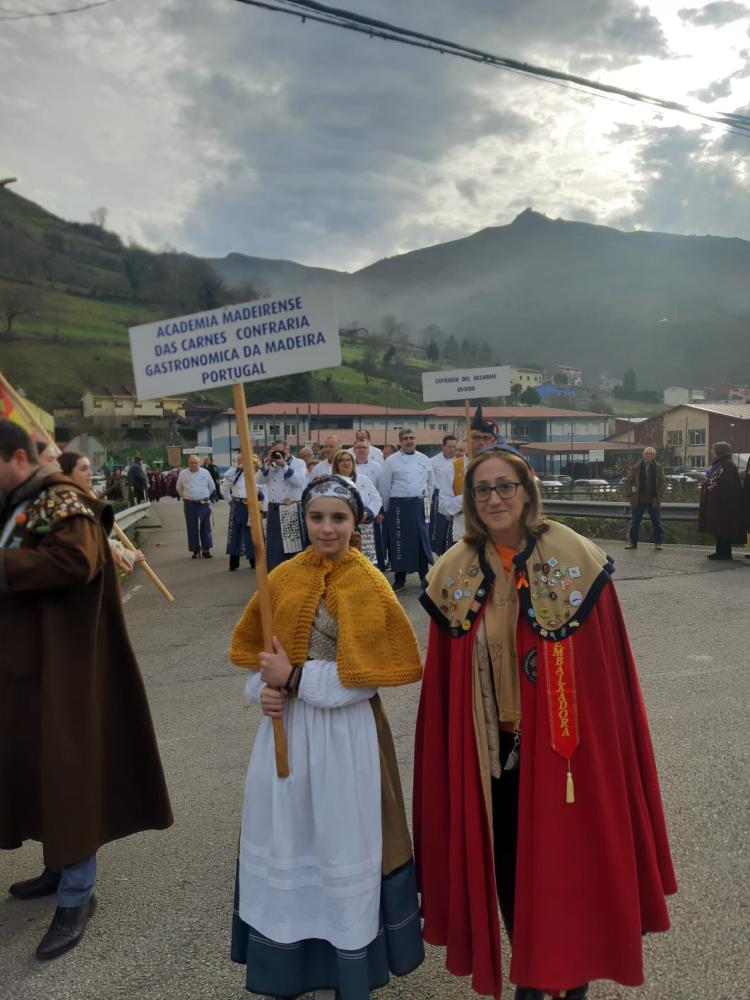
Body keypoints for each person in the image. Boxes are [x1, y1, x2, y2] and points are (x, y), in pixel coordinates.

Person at [414, 443, 677, 1000]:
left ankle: (561, 979)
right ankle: (532, 961)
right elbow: (447, 680)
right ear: (470, 499)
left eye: (505, 486)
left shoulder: (572, 557)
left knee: (565, 873)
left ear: (528, 490)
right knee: (508, 869)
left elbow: (604, 674)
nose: (494, 498)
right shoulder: (456, 570)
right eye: (482, 489)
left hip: (565, 754)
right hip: (494, 753)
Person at [229, 473, 424, 1000]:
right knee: (288, 836)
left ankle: (346, 970)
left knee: (342, 841)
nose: (327, 527)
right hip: (285, 735)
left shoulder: (368, 582)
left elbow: (369, 677)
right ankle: (290, 968)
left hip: (344, 739)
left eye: (338, 517)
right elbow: (259, 659)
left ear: (356, 522)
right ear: (304, 520)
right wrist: (261, 692)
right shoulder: (283, 576)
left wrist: (293, 679)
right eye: (317, 517)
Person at [0, 420, 172, 961]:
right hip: (34, 665)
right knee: (41, 769)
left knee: (67, 773)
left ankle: (77, 895)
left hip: (66, 669)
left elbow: (77, 563)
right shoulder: (23, 501)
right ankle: (58, 867)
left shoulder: (60, 502)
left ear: (16, 458)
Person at [58, 451, 144, 574]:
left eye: (89, 468)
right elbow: (88, 542)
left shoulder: (78, 500)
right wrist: (129, 555)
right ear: (67, 474)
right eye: (83, 469)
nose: (90, 473)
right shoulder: (68, 505)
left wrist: (128, 554)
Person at [378, 428, 434, 591]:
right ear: (400, 442)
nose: (409, 441)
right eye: (405, 438)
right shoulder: (391, 461)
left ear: (416, 440)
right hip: (398, 506)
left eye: (412, 438)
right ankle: (400, 579)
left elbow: (430, 483)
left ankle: (425, 577)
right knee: (399, 542)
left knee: (421, 542)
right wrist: (387, 508)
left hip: (419, 505)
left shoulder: (424, 459)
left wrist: (427, 505)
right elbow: (385, 485)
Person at [258, 439, 308, 571]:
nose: (278, 454)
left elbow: (299, 482)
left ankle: (294, 573)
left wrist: (284, 465)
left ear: (287, 450)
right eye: (275, 451)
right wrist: (267, 464)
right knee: (274, 546)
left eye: (280, 450)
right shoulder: (271, 464)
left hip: (290, 508)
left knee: (292, 545)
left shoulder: (299, 463)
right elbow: (258, 480)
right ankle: (274, 574)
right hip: (274, 508)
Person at [332, 449, 384, 567]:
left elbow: (377, 499)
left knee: (365, 562)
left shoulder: (364, 480)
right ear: (336, 464)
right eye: (342, 460)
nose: (346, 463)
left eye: (349, 460)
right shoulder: (332, 483)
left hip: (364, 524)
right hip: (342, 525)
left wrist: (367, 513)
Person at [697, 441, 746, 560]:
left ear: (720, 452)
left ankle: (724, 553)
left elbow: (728, 486)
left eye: (713, 450)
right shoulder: (719, 464)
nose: (711, 452)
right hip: (718, 503)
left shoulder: (727, 466)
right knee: (719, 527)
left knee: (724, 527)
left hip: (725, 504)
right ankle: (720, 551)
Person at [221, 453, 263, 571]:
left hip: (252, 506)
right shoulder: (234, 473)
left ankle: (253, 561)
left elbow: (263, 490)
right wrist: (231, 503)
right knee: (235, 534)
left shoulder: (258, 474)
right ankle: (234, 562)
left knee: (251, 534)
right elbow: (224, 489)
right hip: (238, 504)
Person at [623, 447, 666, 551]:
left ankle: (658, 543)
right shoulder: (636, 467)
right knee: (635, 523)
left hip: (653, 499)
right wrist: (630, 495)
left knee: (657, 523)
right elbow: (628, 481)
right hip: (639, 500)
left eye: (651, 454)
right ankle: (633, 543)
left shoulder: (658, 467)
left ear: (654, 456)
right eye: (646, 454)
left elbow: (662, 482)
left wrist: (660, 495)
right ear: (643, 455)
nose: (648, 456)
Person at [176, 454, 216, 558]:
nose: (193, 464)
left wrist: (204, 495)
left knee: (205, 526)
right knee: (192, 527)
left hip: (203, 503)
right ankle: (195, 550)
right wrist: (187, 496)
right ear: (188, 463)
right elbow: (179, 488)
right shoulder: (183, 474)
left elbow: (212, 487)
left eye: (195, 463)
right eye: (191, 463)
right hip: (190, 503)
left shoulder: (205, 472)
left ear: (199, 463)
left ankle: (206, 549)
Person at [429, 434, 458, 556]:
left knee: (453, 530)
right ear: (443, 447)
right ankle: (438, 553)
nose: (452, 449)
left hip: (455, 497)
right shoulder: (432, 461)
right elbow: (430, 482)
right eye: (449, 446)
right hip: (437, 498)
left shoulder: (459, 462)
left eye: (454, 447)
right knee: (438, 530)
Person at [436, 443, 469, 545]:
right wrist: (467, 498)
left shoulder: (496, 464)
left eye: (461, 450)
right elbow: (443, 506)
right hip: (462, 534)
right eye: (457, 449)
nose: (457, 452)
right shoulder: (452, 468)